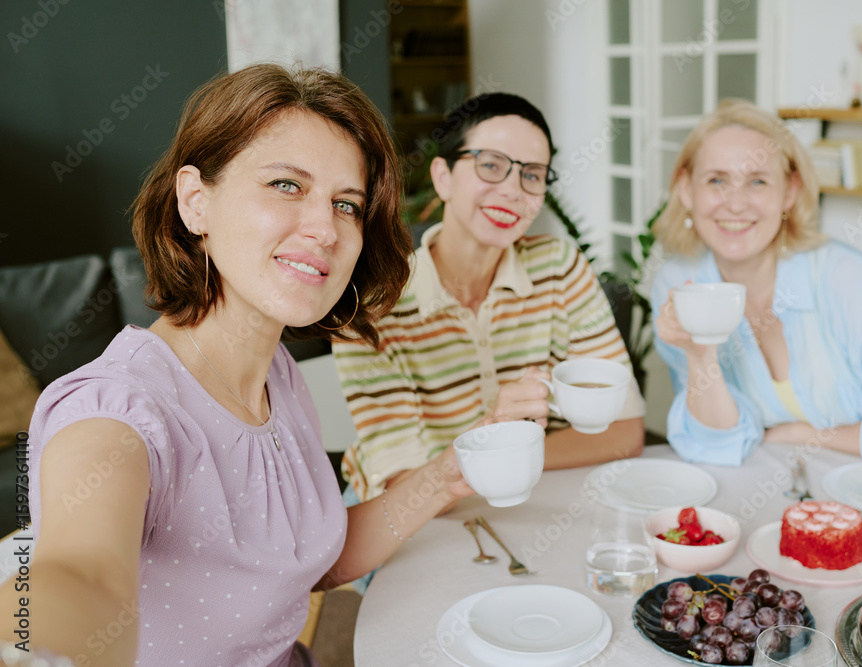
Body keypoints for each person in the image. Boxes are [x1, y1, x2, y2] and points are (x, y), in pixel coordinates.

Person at [0, 64, 526, 666]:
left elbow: (308, 563)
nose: (325, 229)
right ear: (195, 202)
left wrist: (452, 472)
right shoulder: (116, 412)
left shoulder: (278, 373)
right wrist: (32, 643)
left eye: (347, 204)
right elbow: (81, 576)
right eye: (286, 185)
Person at [333, 92, 646, 503]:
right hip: (406, 520)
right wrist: (498, 435)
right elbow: (405, 494)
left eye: (532, 175)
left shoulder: (559, 267)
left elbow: (623, 432)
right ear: (443, 177)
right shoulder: (373, 308)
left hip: (524, 500)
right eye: (491, 165)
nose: (513, 190)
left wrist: (511, 464)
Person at [651, 99, 862, 469]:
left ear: (789, 191)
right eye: (716, 180)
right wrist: (700, 356)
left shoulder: (843, 277)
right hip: (776, 488)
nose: (735, 204)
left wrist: (806, 435)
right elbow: (717, 446)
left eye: (757, 181)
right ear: (686, 189)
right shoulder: (678, 285)